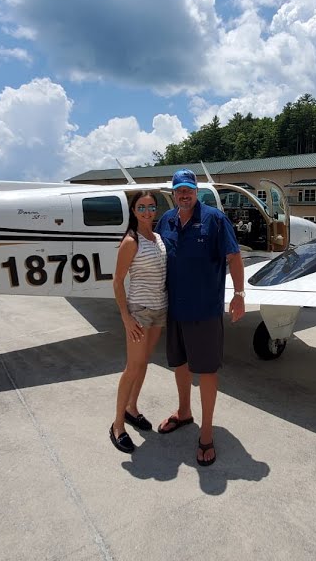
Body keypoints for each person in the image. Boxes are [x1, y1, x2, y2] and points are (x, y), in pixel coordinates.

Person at [154, 169, 245, 466]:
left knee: (206, 370)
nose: (184, 194)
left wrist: (239, 295)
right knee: (179, 364)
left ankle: (206, 432)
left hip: (204, 310)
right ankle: (184, 412)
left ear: (196, 191)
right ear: (173, 192)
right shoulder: (165, 220)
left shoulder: (215, 220)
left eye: (189, 189)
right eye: (179, 189)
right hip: (175, 308)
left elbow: (234, 258)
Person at [108, 191, 168, 454]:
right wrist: (126, 316)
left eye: (151, 207)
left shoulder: (157, 238)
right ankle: (117, 425)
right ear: (133, 211)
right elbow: (117, 281)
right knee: (132, 367)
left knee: (144, 363)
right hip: (140, 312)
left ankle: (132, 409)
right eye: (141, 207)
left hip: (159, 309)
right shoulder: (131, 241)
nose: (146, 212)